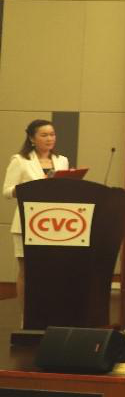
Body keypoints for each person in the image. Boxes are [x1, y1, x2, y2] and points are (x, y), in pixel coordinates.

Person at [3, 120, 68, 312]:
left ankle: (46, 312)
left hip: (54, 223)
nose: (50, 139)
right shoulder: (20, 160)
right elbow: (7, 191)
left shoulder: (62, 160)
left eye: (52, 134)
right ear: (32, 138)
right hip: (26, 222)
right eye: (44, 135)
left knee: (50, 270)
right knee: (27, 271)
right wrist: (32, 188)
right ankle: (26, 315)